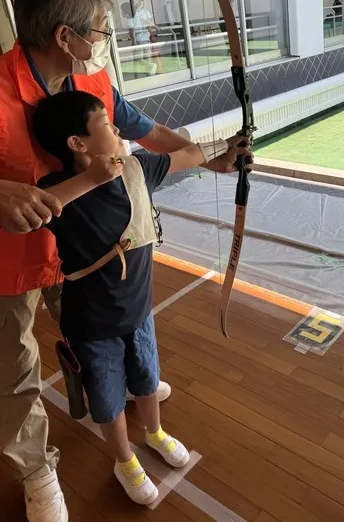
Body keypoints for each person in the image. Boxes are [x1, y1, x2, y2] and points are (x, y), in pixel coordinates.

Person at [0, 0, 250, 522]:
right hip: (11, 260)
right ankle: (37, 468)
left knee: (100, 339)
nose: (103, 42)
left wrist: (211, 154)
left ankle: (124, 391)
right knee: (14, 371)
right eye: (99, 30)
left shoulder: (92, 87)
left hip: (86, 257)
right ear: (65, 37)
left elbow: (148, 135)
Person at [32, 90, 241, 505]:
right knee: (107, 399)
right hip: (92, 324)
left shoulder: (137, 168)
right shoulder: (54, 187)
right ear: (78, 144)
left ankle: (155, 432)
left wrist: (229, 146)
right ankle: (124, 459)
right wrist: (92, 178)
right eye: (107, 126)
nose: (117, 130)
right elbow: (43, 207)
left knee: (147, 378)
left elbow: (189, 156)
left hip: (138, 309)